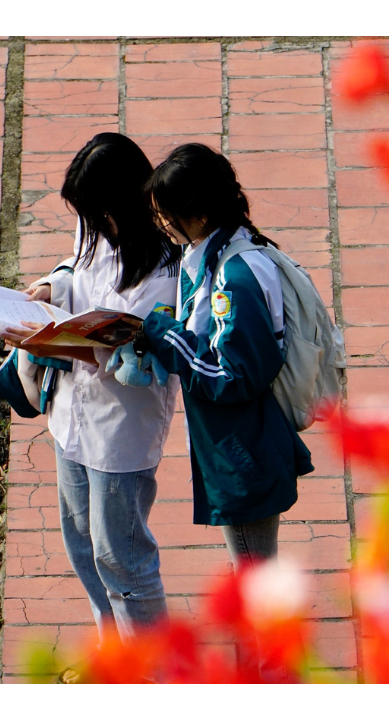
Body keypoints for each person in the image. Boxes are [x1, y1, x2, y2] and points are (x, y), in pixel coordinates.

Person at [0, 133, 181, 644]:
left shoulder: (162, 275)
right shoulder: (99, 230)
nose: (89, 227)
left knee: (121, 557)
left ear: (121, 203)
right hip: (72, 420)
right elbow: (75, 266)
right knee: (83, 543)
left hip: (120, 434)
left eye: (95, 214)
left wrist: (50, 343)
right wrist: (49, 290)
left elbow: (127, 359)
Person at [129, 142, 314, 587]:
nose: (162, 224)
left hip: (243, 445)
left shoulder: (235, 278)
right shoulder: (230, 249)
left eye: (166, 214)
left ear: (199, 214)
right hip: (241, 440)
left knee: (254, 572)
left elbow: (231, 374)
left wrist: (163, 333)